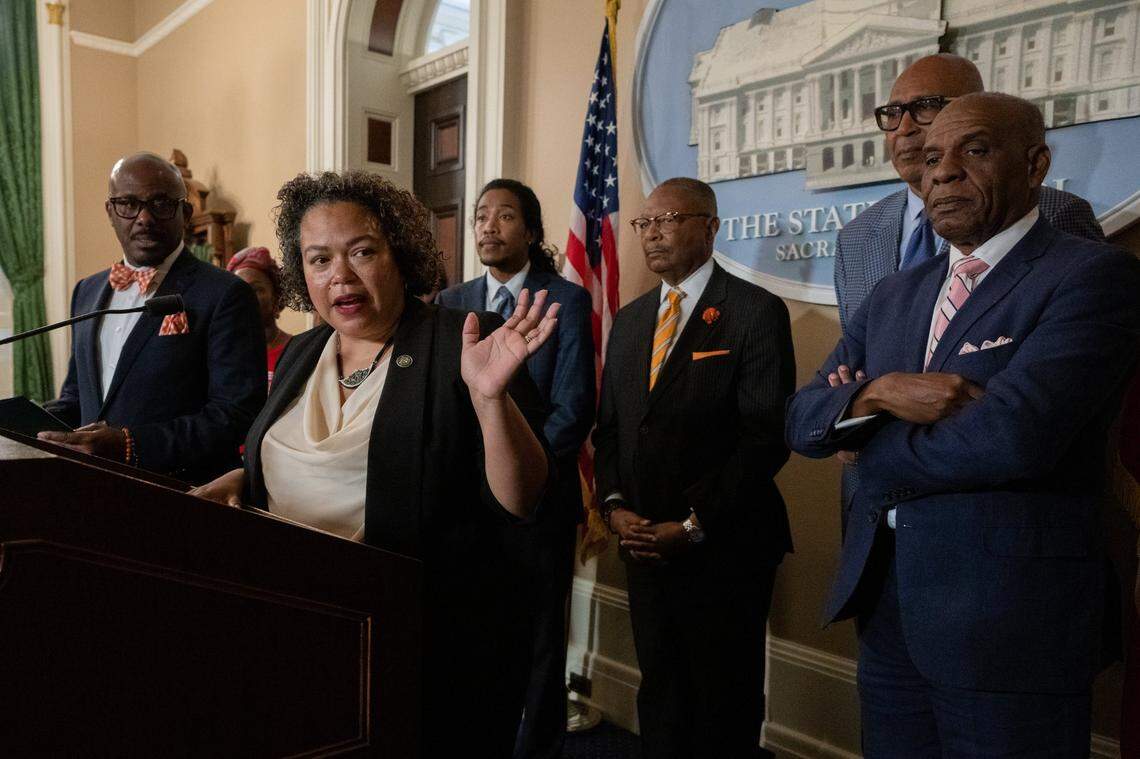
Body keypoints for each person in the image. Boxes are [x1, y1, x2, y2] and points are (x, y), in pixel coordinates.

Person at [786, 93, 1140, 757]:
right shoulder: (895, 291)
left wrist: (863, 441)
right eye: (927, 159)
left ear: (1035, 165)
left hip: (1009, 620)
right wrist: (882, 391)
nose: (940, 173)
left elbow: (1013, 437)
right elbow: (803, 419)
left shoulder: (1093, 275)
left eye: (972, 150)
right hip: (886, 605)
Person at [191, 170, 557, 758]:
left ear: (400, 254)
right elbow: (289, 460)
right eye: (318, 259)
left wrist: (490, 400)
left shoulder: (464, 339)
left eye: (362, 251)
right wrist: (243, 478)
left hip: (416, 646)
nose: (340, 275)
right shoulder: (303, 352)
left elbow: (521, 500)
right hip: (297, 628)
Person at [594, 177, 795, 759]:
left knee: (721, 704)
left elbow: (764, 437)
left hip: (722, 545)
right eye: (644, 223)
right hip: (642, 543)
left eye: (668, 219)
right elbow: (611, 428)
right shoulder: (631, 321)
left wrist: (691, 525)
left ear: (710, 227)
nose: (651, 234)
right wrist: (614, 505)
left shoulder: (755, 311)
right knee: (661, 691)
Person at [436, 178, 595, 759]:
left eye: (504, 216)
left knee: (542, 640)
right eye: (481, 215)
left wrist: (526, 476)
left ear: (530, 231)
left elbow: (573, 408)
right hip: (465, 504)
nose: (488, 226)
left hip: (541, 500)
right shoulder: (448, 303)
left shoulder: (566, 300)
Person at [38, 152, 266, 484]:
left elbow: (235, 414)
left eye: (160, 204)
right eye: (128, 204)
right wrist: (24, 422)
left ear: (185, 213)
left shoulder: (225, 294)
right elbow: (78, 397)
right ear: (110, 212)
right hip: (93, 490)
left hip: (181, 495)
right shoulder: (87, 291)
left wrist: (130, 445)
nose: (144, 218)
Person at [834, 53, 1104, 332]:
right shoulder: (854, 238)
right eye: (892, 113)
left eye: (925, 107)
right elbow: (848, 365)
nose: (904, 128)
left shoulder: (1056, 212)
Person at [226, 246, 293, 387]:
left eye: (256, 289)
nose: (245, 297)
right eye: (238, 290)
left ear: (276, 297)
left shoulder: (297, 352)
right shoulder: (223, 353)